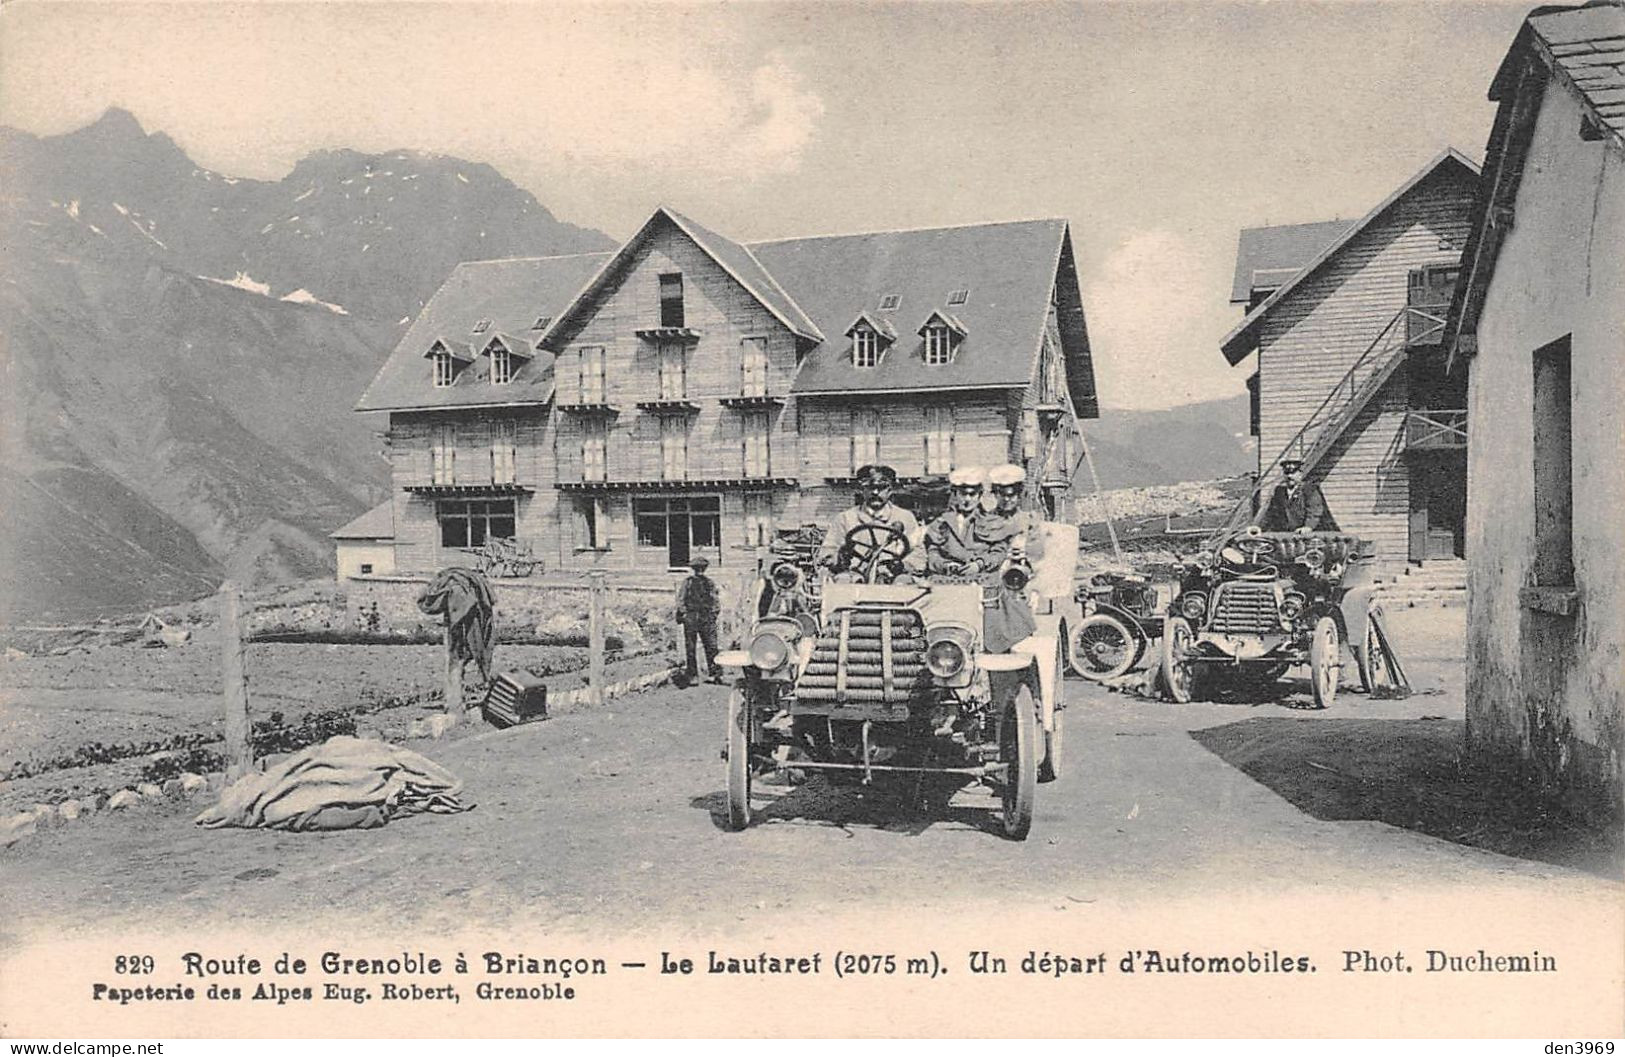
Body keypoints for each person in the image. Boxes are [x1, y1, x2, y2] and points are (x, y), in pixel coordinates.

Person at [971, 464, 1046, 653]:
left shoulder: (1028, 520)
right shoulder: (984, 520)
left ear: (1019, 495)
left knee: (1017, 605)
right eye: (1002, 494)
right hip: (990, 577)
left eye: (1011, 495)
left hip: (1020, 580)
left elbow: (1038, 555)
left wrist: (1024, 553)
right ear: (995, 495)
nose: (1007, 499)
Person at [816, 463, 924, 582]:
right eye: (870, 488)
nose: (876, 493)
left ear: (890, 490)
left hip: (891, 576)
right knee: (843, 581)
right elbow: (828, 551)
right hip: (854, 574)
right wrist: (840, 559)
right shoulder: (845, 518)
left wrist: (903, 566)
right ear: (862, 490)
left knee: (904, 583)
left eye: (882, 488)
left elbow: (918, 552)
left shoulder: (905, 517)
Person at [924, 466, 989, 577]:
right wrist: (946, 565)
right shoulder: (940, 523)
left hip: (981, 579)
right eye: (963, 494)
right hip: (949, 580)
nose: (967, 499)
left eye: (972, 494)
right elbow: (932, 553)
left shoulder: (991, 523)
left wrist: (979, 564)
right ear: (955, 494)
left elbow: (998, 553)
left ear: (980, 496)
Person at [1252, 458, 1339, 533]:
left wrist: (1308, 527)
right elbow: (1270, 512)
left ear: (1300, 474)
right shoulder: (1279, 491)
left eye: (1293, 473)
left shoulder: (1310, 490)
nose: (1289, 476)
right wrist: (1259, 527)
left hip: (1309, 533)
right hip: (1287, 534)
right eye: (1286, 473)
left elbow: (1314, 511)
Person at [675, 557, 722, 685]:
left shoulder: (709, 583)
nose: (700, 571)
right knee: (690, 647)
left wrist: (713, 615)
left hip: (706, 617)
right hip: (691, 616)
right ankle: (692, 675)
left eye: (702, 569)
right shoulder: (688, 582)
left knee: (711, 646)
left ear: (705, 569)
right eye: (698, 569)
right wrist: (684, 614)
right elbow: (681, 599)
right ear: (694, 569)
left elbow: (715, 600)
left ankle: (715, 674)